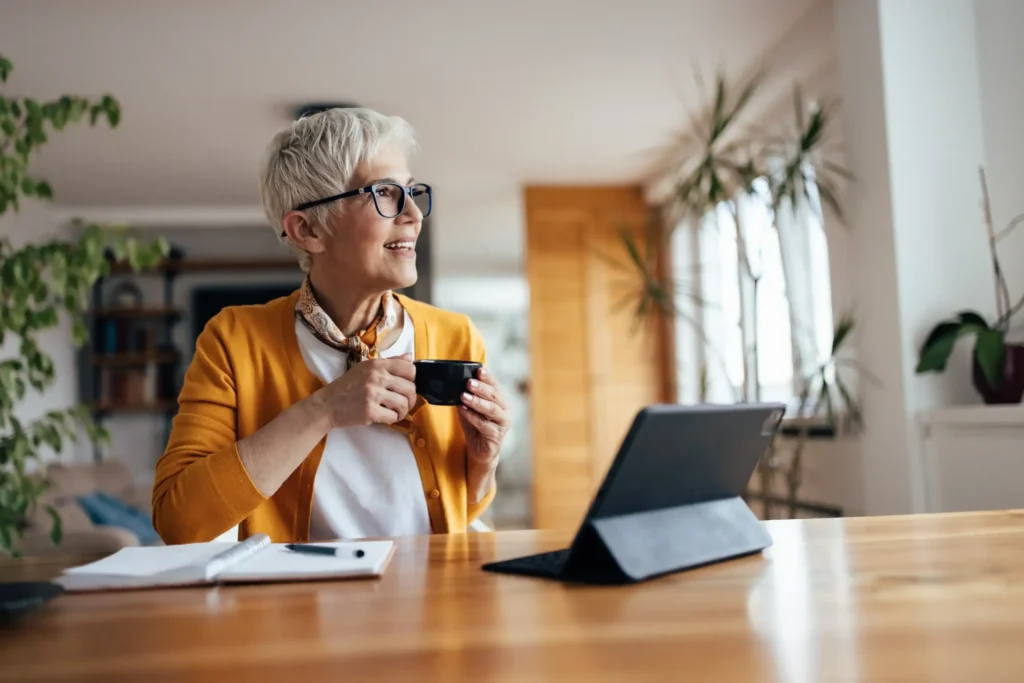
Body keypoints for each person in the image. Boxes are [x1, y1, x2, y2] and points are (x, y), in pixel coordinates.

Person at [152, 108, 511, 544]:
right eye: (385, 193)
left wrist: (483, 462)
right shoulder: (233, 340)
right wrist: (322, 409)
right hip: (298, 605)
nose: (414, 214)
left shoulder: (457, 335)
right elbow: (180, 523)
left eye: (411, 191)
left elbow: (464, 508)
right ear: (307, 230)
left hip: (436, 603)